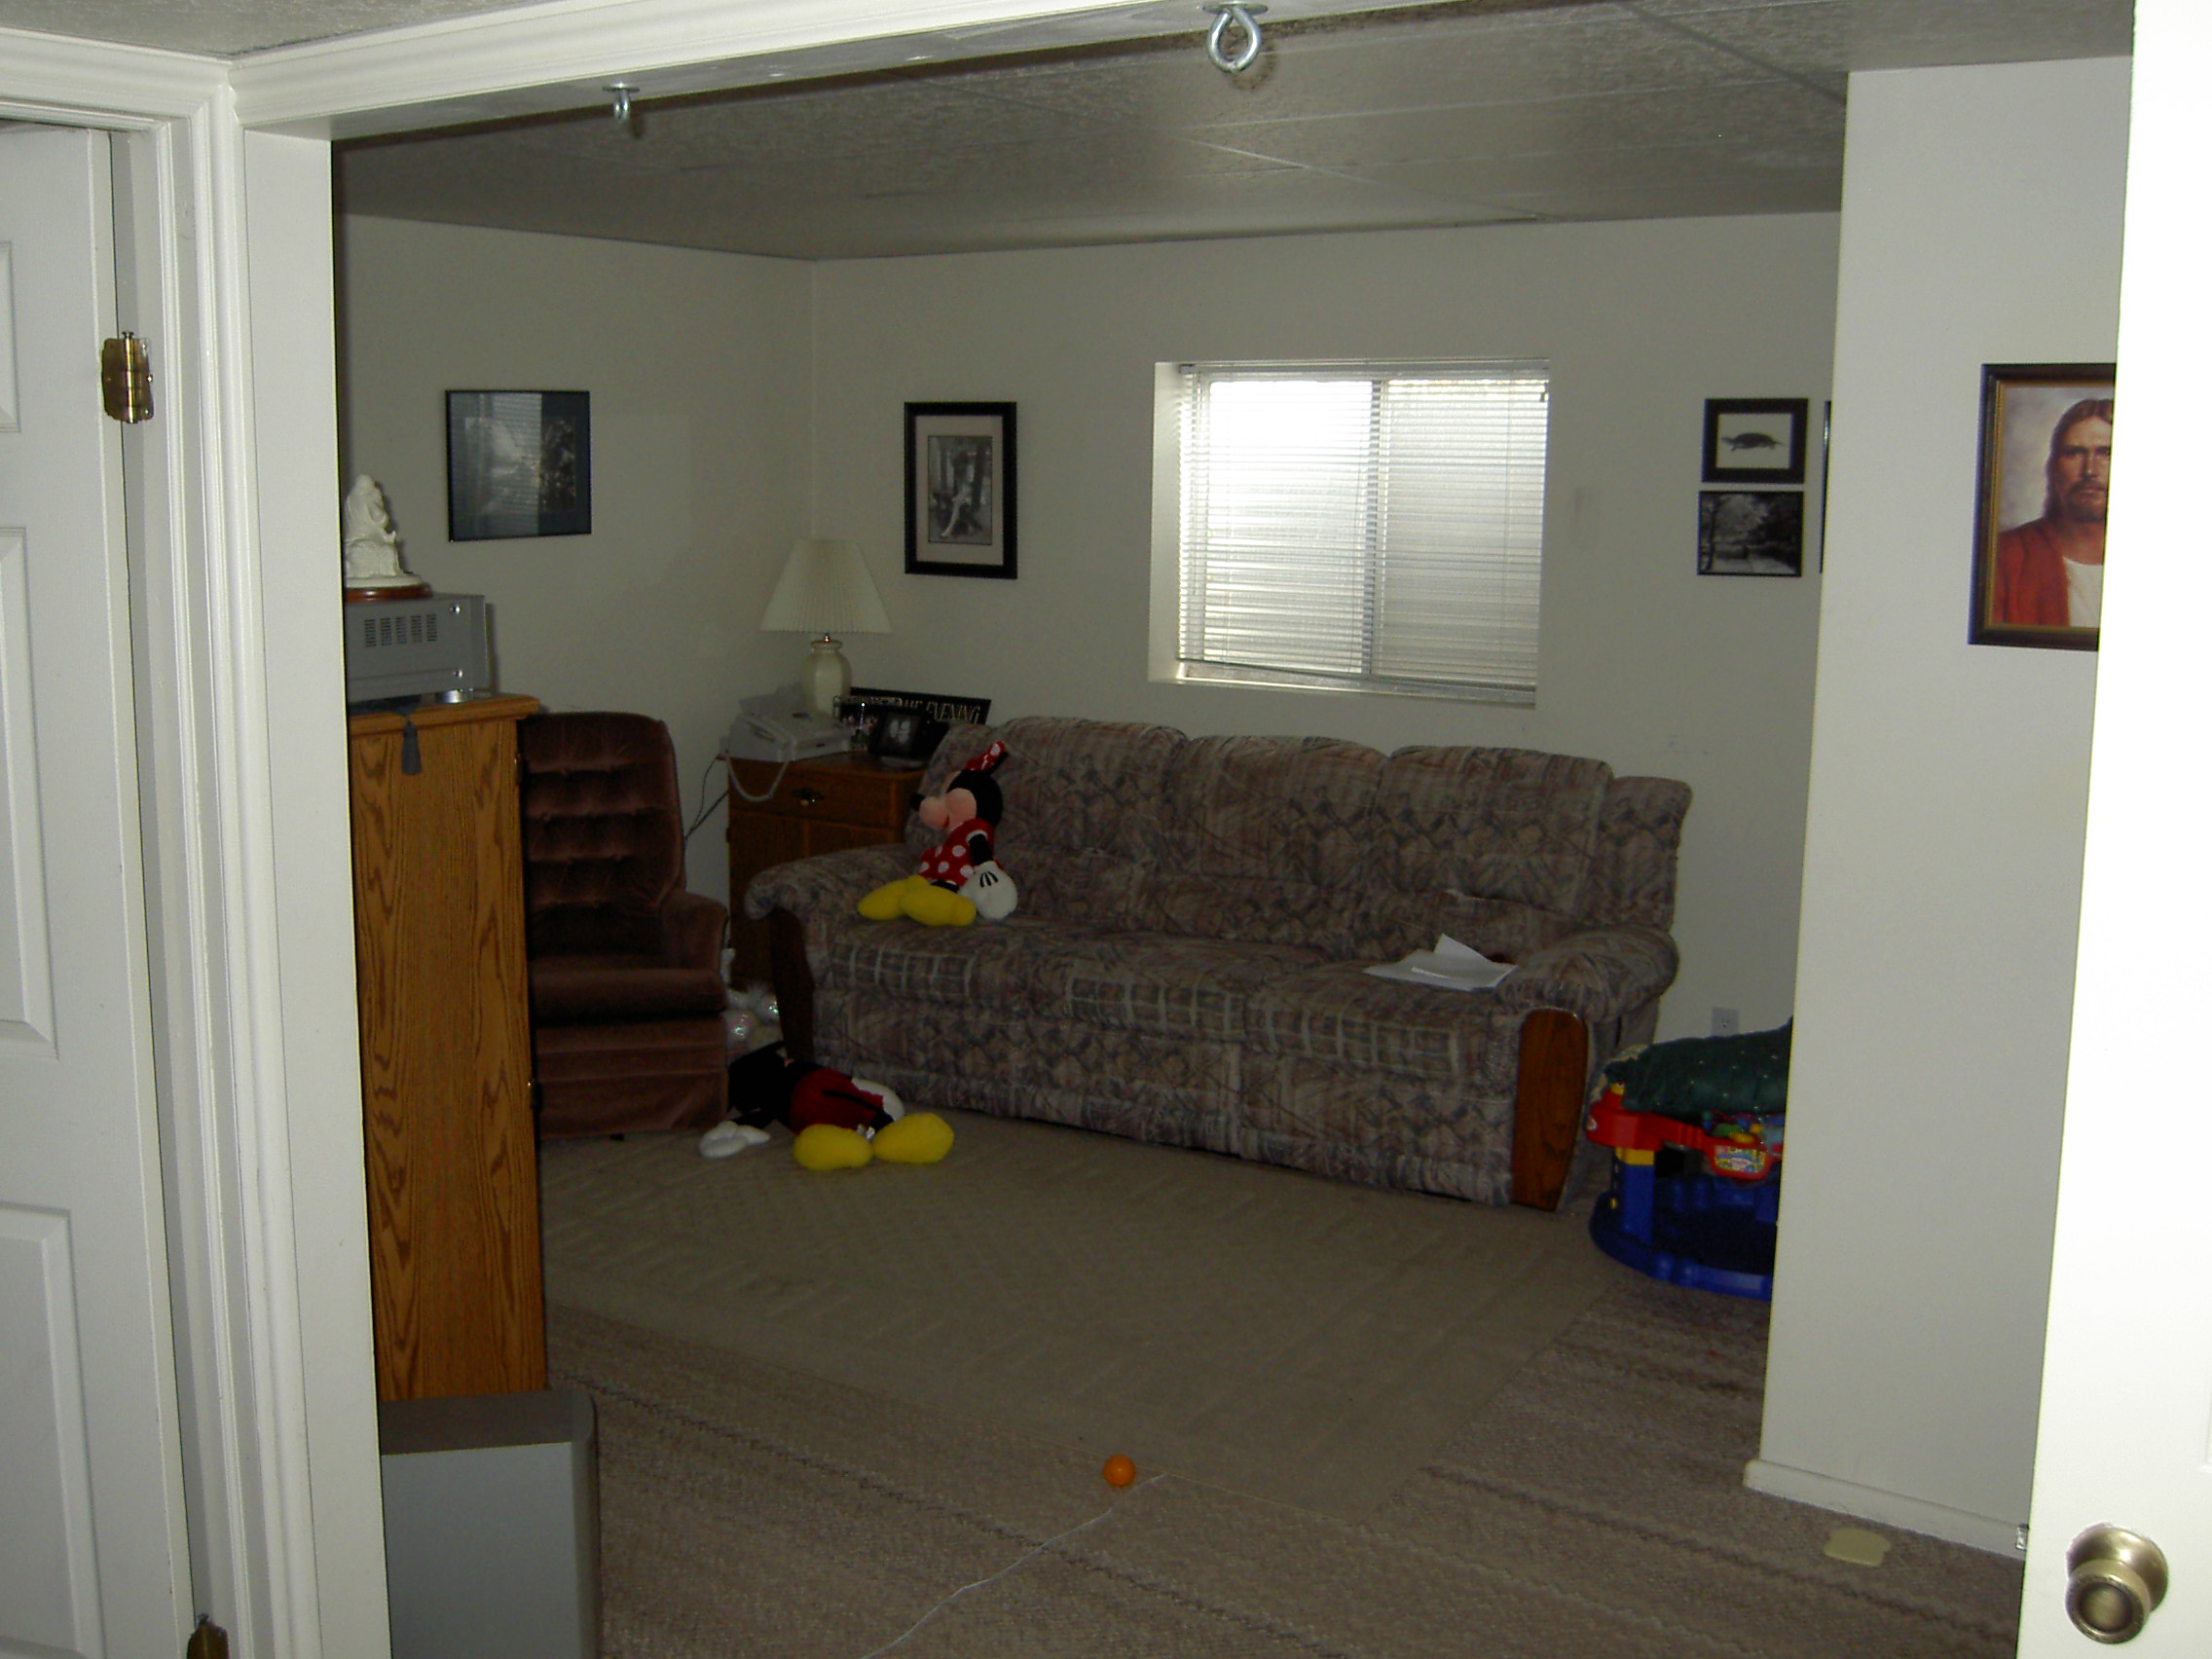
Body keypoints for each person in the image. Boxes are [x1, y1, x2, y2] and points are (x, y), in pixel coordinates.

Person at [1990, 397, 2112, 628]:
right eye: (2074, 453)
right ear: (2054, 468)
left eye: (2106, 453)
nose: (2089, 470)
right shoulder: (2005, 556)